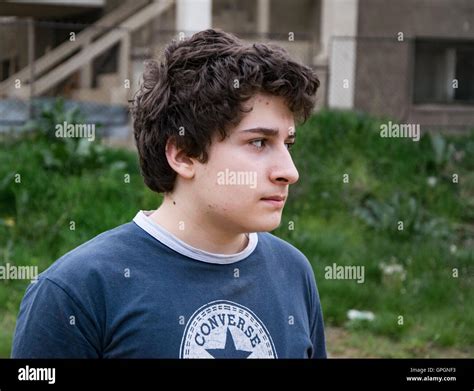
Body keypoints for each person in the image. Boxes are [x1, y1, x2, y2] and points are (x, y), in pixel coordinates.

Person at [12, 29, 326, 359]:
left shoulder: (293, 272)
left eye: (287, 144)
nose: (289, 171)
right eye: (259, 142)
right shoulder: (76, 292)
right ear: (183, 155)